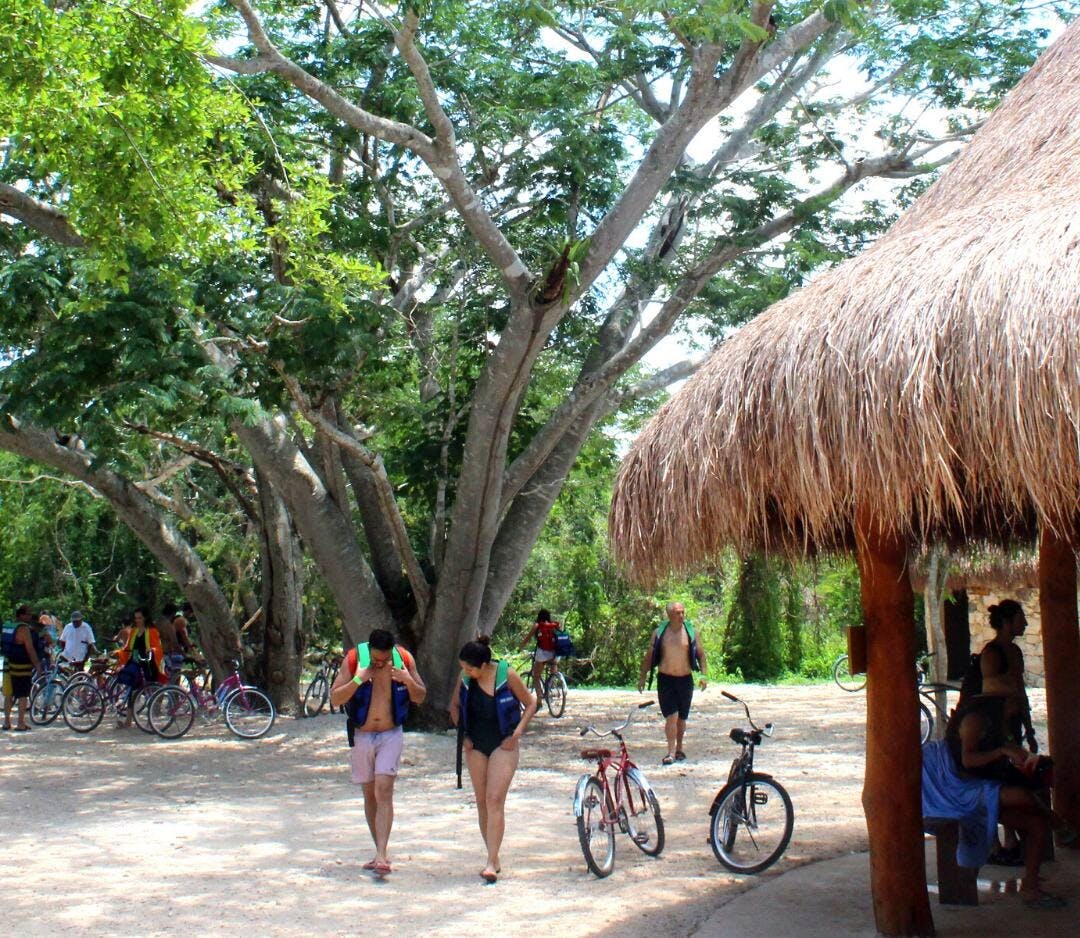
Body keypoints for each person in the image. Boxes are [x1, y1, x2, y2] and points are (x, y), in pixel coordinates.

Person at [931, 695, 1075, 908]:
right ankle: (1056, 821)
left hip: (974, 784)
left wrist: (1022, 757)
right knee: (1022, 796)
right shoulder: (975, 720)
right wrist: (1001, 751)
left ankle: (1031, 887)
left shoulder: (1000, 725)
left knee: (1036, 824)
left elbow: (1008, 750)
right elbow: (968, 759)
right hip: (950, 786)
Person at [329, 628, 426, 876]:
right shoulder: (354, 660)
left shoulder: (403, 658)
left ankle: (383, 854)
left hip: (390, 733)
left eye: (384, 660)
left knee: (384, 789)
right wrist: (359, 678)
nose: (380, 664)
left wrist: (407, 679)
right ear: (369, 650)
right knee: (370, 794)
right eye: (376, 660)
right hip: (362, 734)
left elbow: (421, 696)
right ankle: (378, 850)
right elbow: (335, 699)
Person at [450, 636, 536, 883]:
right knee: (481, 801)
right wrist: (463, 735)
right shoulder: (465, 678)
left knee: (494, 799)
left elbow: (531, 703)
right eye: (463, 668)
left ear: (484, 664)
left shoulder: (506, 673)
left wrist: (517, 734)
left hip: (503, 742)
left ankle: (490, 861)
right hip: (475, 743)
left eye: (469, 668)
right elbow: (454, 707)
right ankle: (493, 854)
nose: (465, 672)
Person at [638, 601, 708, 765]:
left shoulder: (691, 632)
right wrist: (642, 676)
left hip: (685, 680)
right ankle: (670, 752)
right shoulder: (660, 633)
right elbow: (649, 656)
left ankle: (679, 749)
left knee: (682, 718)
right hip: (666, 679)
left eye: (683, 612)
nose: (681, 616)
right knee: (672, 716)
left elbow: (701, 655)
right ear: (669, 615)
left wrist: (704, 676)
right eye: (677, 613)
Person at [114, 608, 164, 728]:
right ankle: (128, 721)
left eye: (140, 618)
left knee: (149, 692)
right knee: (132, 691)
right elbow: (127, 648)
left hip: (148, 663)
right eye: (136, 618)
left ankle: (149, 721)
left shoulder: (152, 631)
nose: (137, 620)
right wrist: (118, 653)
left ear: (145, 618)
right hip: (135, 662)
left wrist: (152, 650)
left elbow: (158, 648)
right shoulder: (134, 631)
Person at [2, 605, 43, 732]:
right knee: (22, 695)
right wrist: (37, 665)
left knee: (8, 694)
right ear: (21, 615)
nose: (30, 616)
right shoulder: (24, 629)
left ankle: (6, 722)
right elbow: (30, 649)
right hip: (21, 665)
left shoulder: (8, 626)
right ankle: (20, 723)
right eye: (28, 614)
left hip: (8, 663)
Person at [518, 608, 560, 712]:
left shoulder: (538, 626)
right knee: (552, 672)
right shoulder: (554, 626)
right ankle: (553, 684)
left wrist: (521, 647)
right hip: (555, 654)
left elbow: (527, 638)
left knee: (536, 676)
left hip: (542, 654)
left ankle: (539, 700)